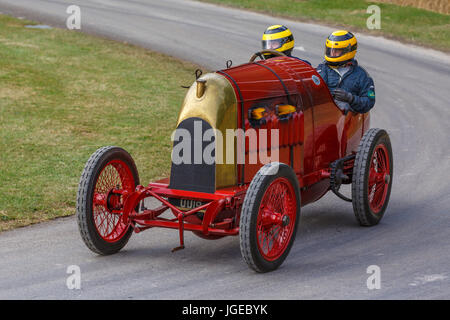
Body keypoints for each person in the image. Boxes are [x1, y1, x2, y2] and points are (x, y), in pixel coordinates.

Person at [316, 30, 375, 114]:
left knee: (343, 105)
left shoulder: (362, 76)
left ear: (348, 51)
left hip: (345, 121)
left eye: (336, 51)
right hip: (322, 116)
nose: (332, 53)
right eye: (330, 50)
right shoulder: (321, 69)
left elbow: (369, 102)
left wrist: (350, 98)